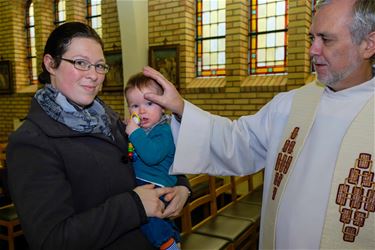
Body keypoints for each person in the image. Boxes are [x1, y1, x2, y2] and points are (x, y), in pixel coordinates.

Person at [143, 0, 375, 249]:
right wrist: (181, 108)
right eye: (312, 37)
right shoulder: (291, 105)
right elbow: (237, 141)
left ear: (368, 45)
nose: (312, 50)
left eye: (326, 39)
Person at [6, 22, 190, 250]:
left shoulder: (110, 117)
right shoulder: (31, 142)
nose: (93, 75)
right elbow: (52, 241)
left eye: (100, 66)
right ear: (50, 64)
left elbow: (153, 157)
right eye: (81, 63)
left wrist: (182, 187)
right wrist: (134, 206)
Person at [124, 72, 180, 250]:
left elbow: (152, 155)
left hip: (157, 185)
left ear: (163, 106)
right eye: (134, 105)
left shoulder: (164, 130)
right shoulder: (142, 131)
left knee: (146, 218)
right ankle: (173, 236)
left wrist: (134, 133)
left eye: (149, 103)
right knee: (156, 218)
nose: (142, 111)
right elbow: (133, 156)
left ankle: (168, 245)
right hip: (144, 182)